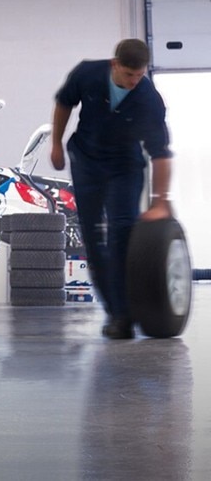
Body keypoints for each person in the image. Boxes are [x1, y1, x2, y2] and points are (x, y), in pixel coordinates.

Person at [49, 38, 173, 339]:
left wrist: (160, 201)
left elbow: (160, 153)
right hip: (86, 162)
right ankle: (117, 313)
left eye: (139, 75)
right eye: (129, 75)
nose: (133, 82)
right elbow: (64, 103)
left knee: (122, 230)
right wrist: (56, 144)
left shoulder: (148, 99)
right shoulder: (88, 74)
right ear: (115, 64)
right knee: (93, 237)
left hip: (124, 167)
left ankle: (128, 311)